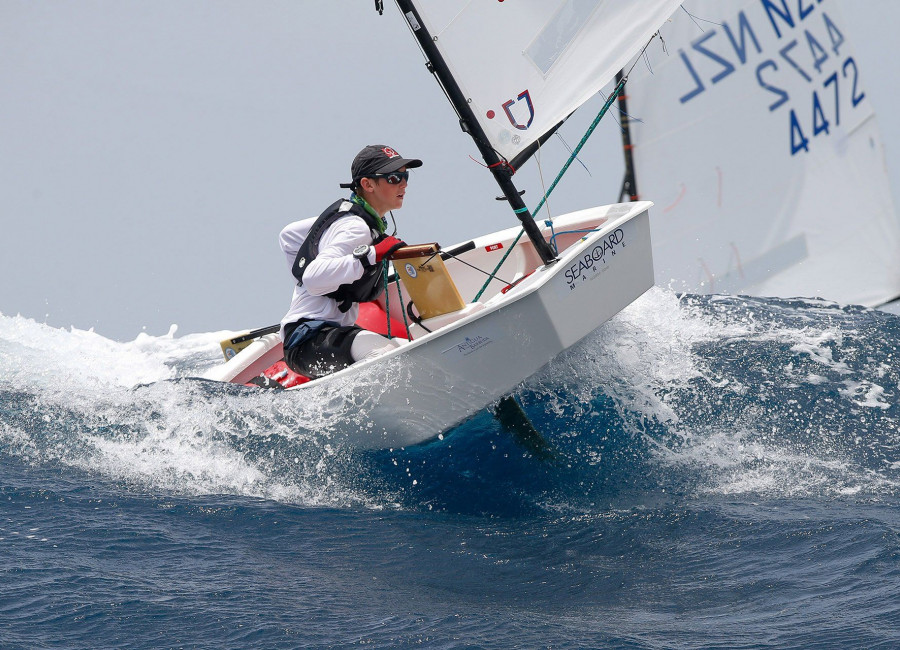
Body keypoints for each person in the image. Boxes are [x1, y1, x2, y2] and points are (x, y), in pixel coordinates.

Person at [278, 144, 422, 378]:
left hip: (319, 336)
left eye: (405, 177)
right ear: (368, 184)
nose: (403, 184)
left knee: (405, 350)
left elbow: (289, 236)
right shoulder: (355, 227)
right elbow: (313, 278)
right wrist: (372, 255)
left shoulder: (347, 218)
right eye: (394, 178)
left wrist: (308, 284)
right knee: (387, 355)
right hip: (308, 339)